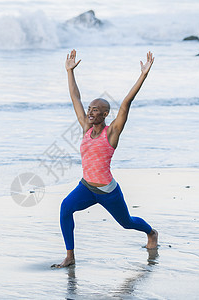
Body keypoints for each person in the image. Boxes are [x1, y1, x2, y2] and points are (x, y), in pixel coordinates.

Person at [52, 49, 158, 268]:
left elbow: (127, 102)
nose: (90, 112)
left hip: (108, 191)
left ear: (105, 114)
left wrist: (143, 75)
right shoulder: (85, 128)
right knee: (65, 208)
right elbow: (75, 98)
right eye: (90, 109)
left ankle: (151, 232)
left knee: (127, 223)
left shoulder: (112, 132)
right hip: (86, 187)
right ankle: (70, 256)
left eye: (96, 110)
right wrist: (69, 72)